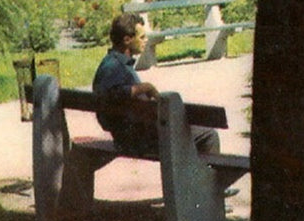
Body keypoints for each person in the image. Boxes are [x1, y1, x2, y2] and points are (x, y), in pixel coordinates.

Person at [92, 12, 219, 156]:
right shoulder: (114, 67)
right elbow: (111, 94)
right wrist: (145, 87)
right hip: (138, 141)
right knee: (209, 135)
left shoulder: (110, 62)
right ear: (127, 39)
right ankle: (209, 179)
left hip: (126, 138)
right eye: (142, 37)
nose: (146, 40)